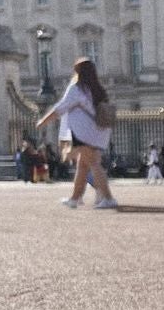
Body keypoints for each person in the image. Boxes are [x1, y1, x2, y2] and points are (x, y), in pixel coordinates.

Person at [35, 57, 118, 210]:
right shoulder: (97, 88)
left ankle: (108, 198)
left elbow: (60, 108)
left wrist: (43, 121)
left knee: (93, 163)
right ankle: (75, 198)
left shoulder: (76, 88)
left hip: (83, 132)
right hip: (98, 131)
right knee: (82, 165)